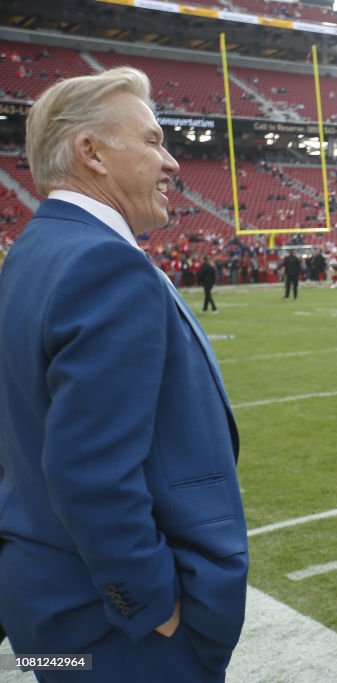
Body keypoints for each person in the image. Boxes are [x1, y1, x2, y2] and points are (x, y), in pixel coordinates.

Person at [0, 67, 247, 682]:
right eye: (153, 140)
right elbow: (90, 470)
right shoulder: (105, 263)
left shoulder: (30, 254)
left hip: (49, 610)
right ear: (92, 153)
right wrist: (151, 604)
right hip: (117, 629)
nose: (172, 163)